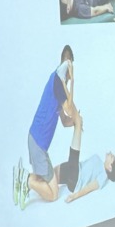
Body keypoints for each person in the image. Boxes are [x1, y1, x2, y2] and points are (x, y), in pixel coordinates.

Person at [15, 45, 77, 207]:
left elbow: (65, 120)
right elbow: (69, 108)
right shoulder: (57, 81)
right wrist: (73, 82)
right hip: (38, 143)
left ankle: (25, 180)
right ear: (67, 63)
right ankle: (26, 179)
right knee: (54, 194)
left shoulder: (57, 86)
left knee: (42, 179)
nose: (70, 75)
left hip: (37, 141)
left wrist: (76, 122)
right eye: (70, 69)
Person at [54, 110, 115, 202]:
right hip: (73, 168)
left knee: (78, 124)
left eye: (112, 157)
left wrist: (74, 196)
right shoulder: (99, 161)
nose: (111, 153)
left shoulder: (104, 176)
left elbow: (90, 187)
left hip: (76, 177)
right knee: (49, 176)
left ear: (110, 168)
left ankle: (76, 122)